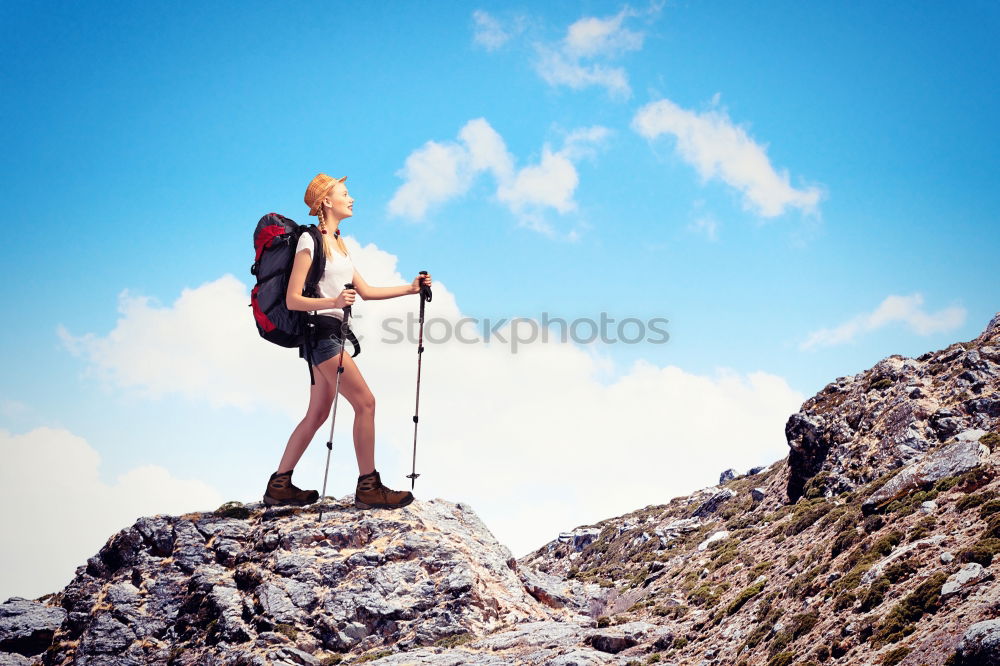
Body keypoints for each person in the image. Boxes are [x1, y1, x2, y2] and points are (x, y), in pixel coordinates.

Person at [262, 173, 433, 510]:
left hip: (328, 336)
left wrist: (411, 288)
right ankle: (369, 486)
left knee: (317, 413)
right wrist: (334, 303)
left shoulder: (339, 243)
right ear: (327, 201)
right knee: (366, 403)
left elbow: (366, 292)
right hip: (322, 336)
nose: (351, 198)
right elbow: (294, 299)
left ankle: (279, 486)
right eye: (345, 193)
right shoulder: (309, 242)